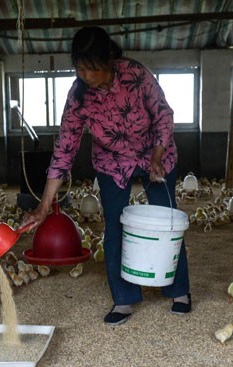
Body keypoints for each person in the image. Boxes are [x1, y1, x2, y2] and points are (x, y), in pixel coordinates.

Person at [21, 26, 191, 325]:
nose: (86, 75)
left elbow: (163, 114)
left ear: (109, 59)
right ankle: (123, 299)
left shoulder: (136, 75)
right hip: (111, 162)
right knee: (114, 227)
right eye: (79, 68)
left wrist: (157, 155)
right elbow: (65, 149)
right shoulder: (78, 97)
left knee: (167, 220)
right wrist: (44, 205)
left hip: (156, 153)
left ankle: (178, 291)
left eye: (92, 68)